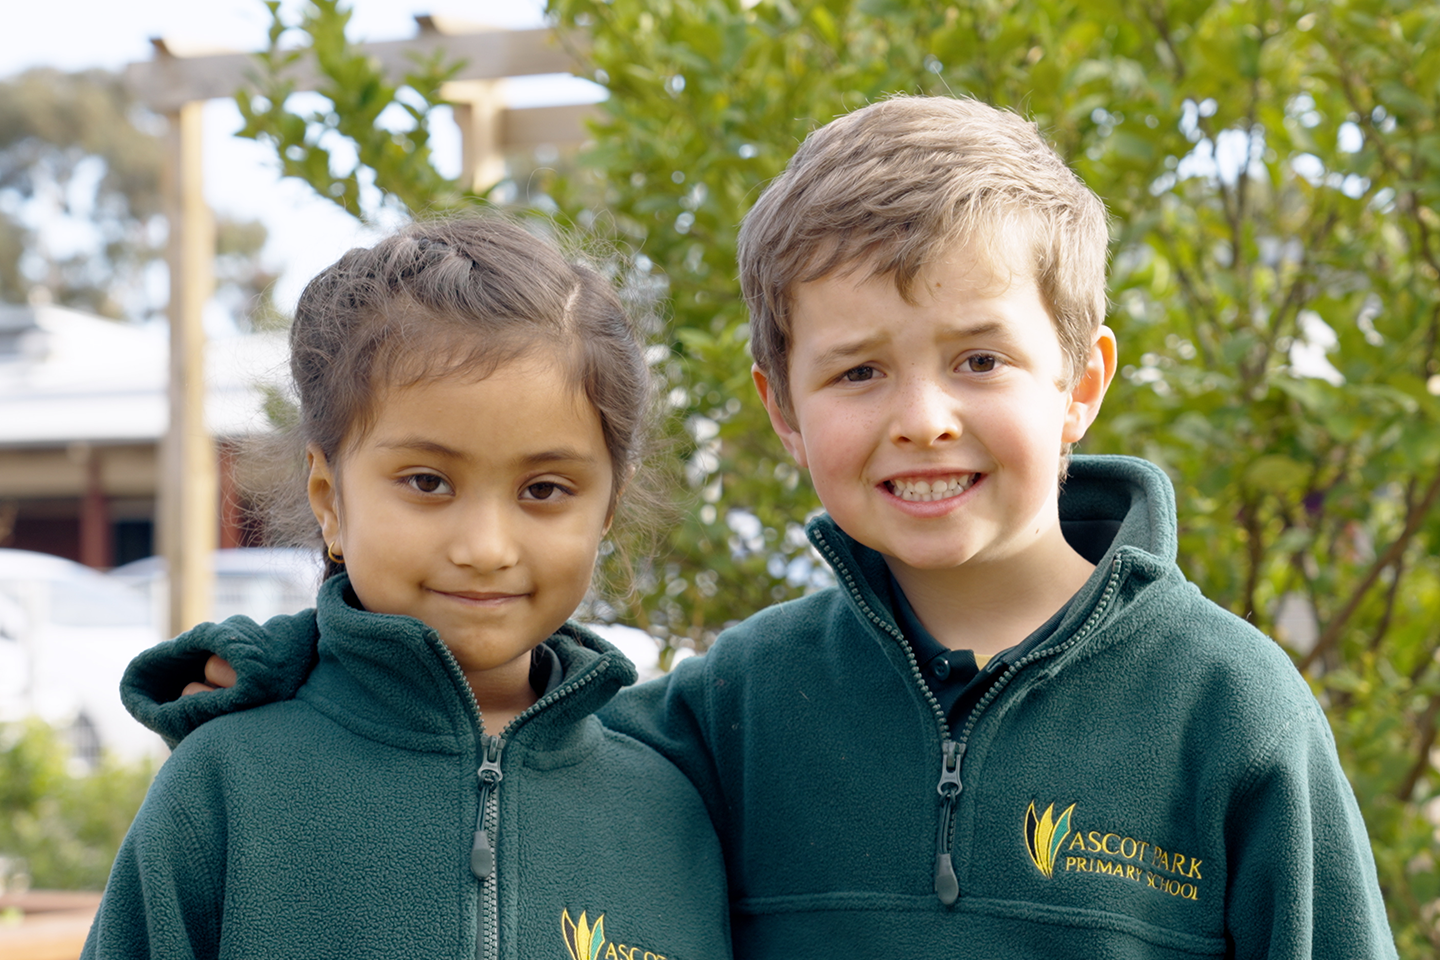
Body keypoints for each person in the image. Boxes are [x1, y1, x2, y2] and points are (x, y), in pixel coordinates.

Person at [122, 97, 1397, 959]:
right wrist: (288, 662)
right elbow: (493, 734)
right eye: (857, 374)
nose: (924, 419)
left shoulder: (1234, 708)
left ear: (1082, 381)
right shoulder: (732, 711)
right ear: (780, 408)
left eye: (980, 360)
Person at [83, 216, 730, 960]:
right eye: (428, 482)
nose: (486, 548)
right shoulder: (225, 790)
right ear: (330, 498)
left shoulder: (666, 811)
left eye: (545, 489)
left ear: (608, 508)